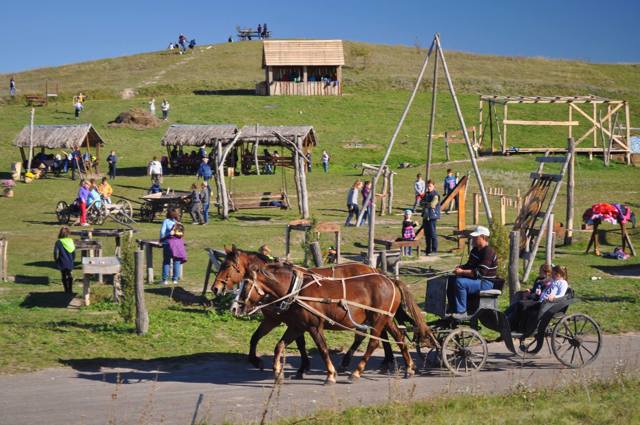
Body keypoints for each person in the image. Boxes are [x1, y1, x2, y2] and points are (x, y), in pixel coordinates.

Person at [447, 226, 498, 319]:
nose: (473, 239)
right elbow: (469, 266)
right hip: (476, 280)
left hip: (485, 283)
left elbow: (479, 273)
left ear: (482, 237)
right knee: (450, 279)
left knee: (459, 283)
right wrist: (461, 267)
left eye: (475, 237)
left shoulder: (488, 252)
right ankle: (453, 307)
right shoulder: (475, 250)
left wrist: (462, 272)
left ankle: (461, 311)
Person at [160, 208, 184, 285]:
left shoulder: (166, 221)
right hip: (178, 245)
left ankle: (165, 280)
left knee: (166, 261)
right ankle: (175, 279)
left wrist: (162, 240)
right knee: (176, 261)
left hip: (168, 244)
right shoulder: (179, 223)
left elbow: (162, 232)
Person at [420, 179, 440, 255]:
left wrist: (425, 204)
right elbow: (421, 203)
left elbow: (432, 205)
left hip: (432, 216)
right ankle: (428, 250)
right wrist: (426, 204)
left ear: (433, 186)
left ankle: (434, 251)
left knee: (433, 234)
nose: (429, 187)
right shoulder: (426, 194)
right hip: (425, 216)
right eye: (428, 186)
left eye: (430, 186)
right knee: (427, 234)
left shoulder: (435, 195)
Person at [53, 227, 76, 293]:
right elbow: (74, 252)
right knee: (69, 274)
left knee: (63, 275)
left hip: (62, 261)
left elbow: (55, 252)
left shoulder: (59, 242)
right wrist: (73, 259)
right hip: (70, 260)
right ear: (68, 233)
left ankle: (66, 289)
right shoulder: (71, 241)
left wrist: (56, 260)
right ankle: (70, 289)